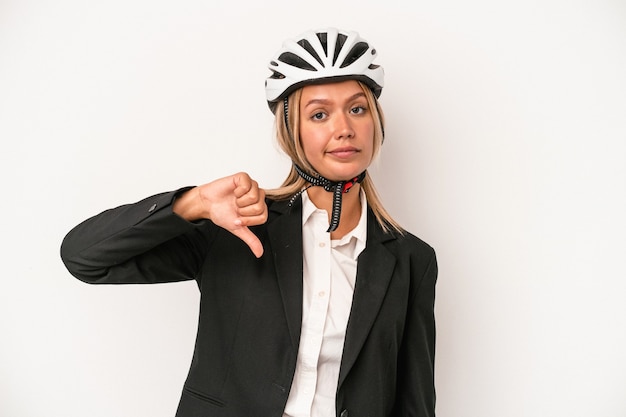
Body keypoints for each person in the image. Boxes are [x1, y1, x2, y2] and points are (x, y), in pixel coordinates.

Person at [61, 27, 438, 417]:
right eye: (320, 114)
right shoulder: (237, 226)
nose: (343, 128)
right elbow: (84, 258)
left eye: (356, 109)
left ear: (375, 121)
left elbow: (414, 401)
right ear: (293, 131)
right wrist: (192, 204)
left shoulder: (411, 260)